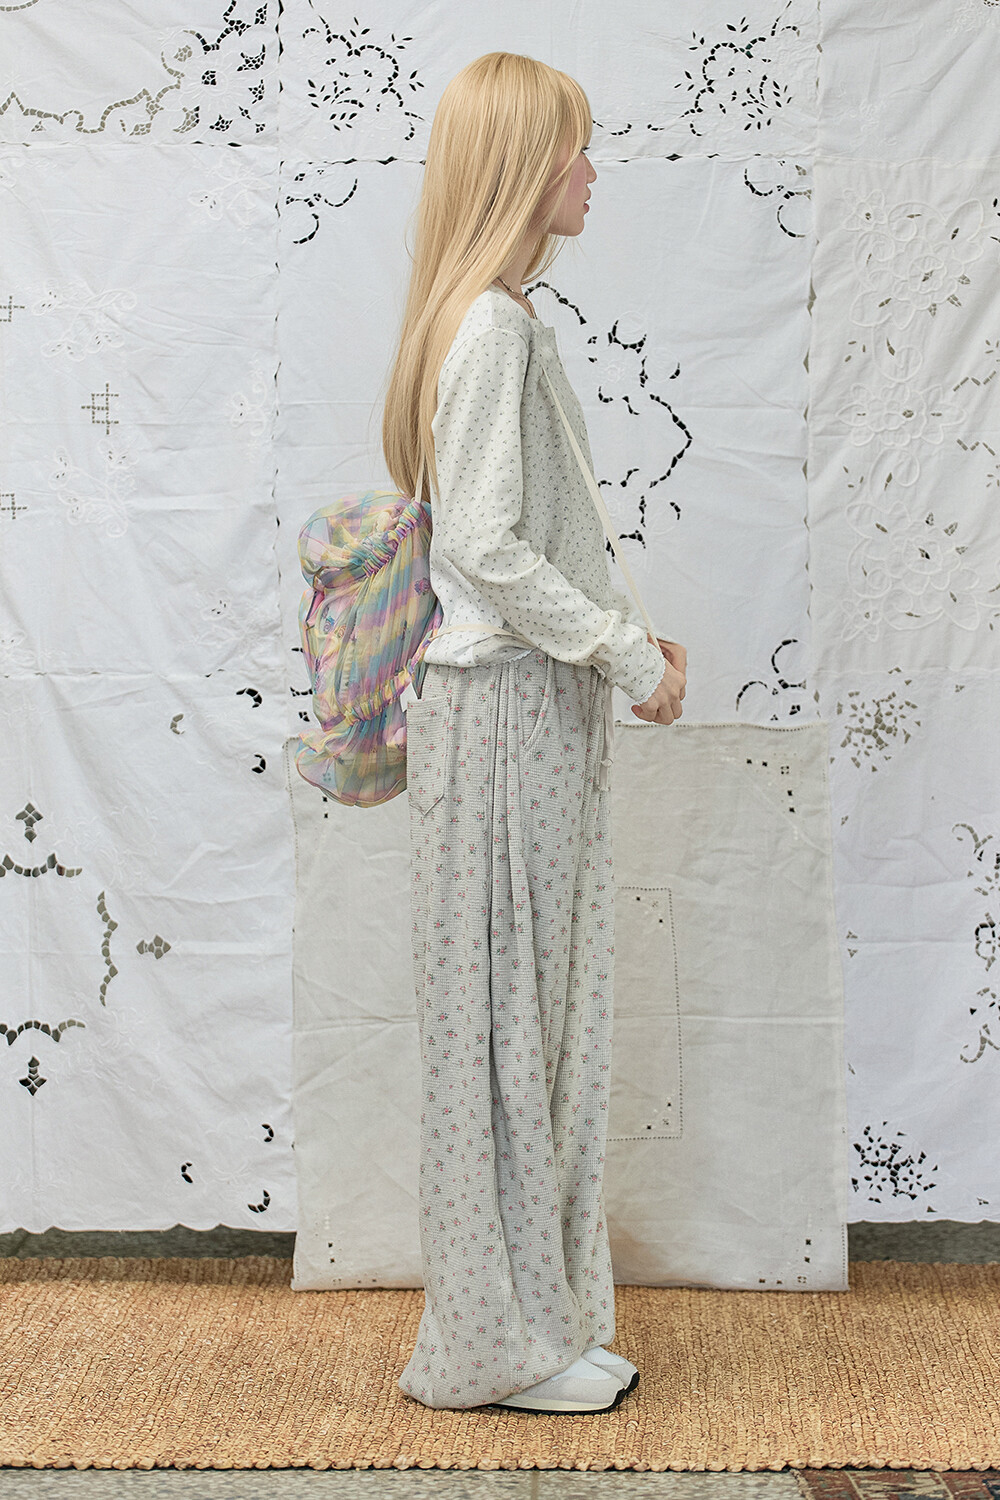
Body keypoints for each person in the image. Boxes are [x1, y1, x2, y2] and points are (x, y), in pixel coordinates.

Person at [380, 51, 687, 1414]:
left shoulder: (481, 316)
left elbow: (505, 545)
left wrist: (624, 636)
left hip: (509, 708)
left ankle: (535, 1324)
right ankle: (496, 1348)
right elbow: (487, 547)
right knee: (508, 1034)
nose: (593, 172)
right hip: (504, 713)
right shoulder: (493, 328)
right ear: (522, 165)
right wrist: (623, 652)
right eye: (576, 147)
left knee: (517, 1030)